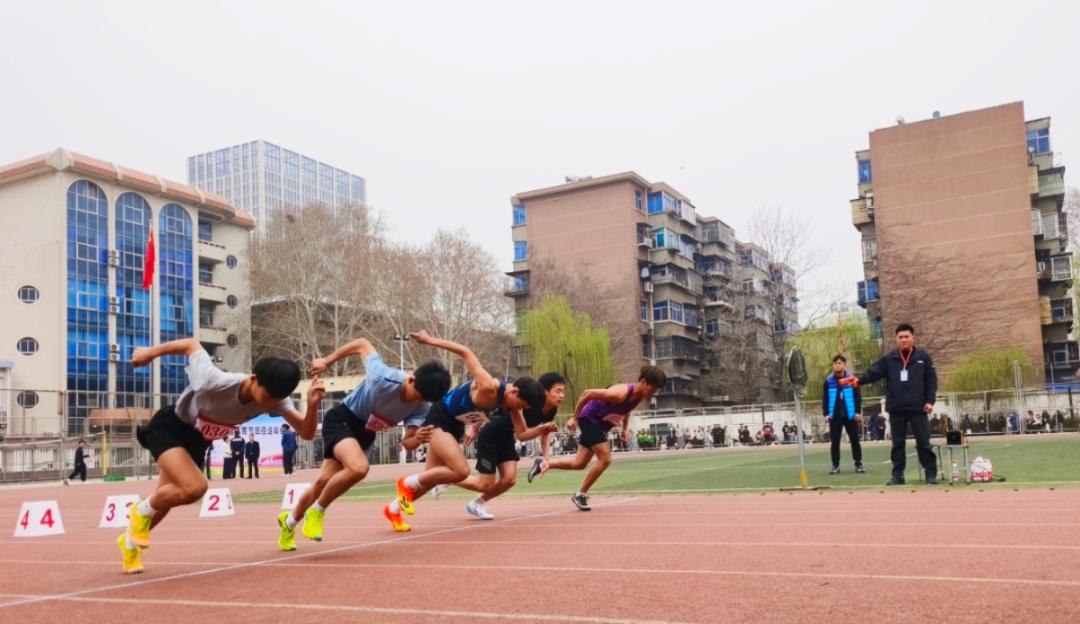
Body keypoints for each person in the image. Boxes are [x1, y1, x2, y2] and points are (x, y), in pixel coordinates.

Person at [120, 338, 320, 574]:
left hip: (198, 441)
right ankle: (139, 511)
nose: (271, 404)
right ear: (254, 379)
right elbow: (191, 344)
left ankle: (129, 543)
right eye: (267, 397)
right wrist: (150, 354)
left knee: (167, 500)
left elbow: (306, 433)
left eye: (277, 399)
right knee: (194, 488)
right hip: (170, 427)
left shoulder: (277, 400)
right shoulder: (214, 380)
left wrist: (313, 405)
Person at [277, 335, 452, 550]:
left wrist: (419, 438)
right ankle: (317, 510)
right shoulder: (383, 377)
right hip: (342, 419)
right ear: (411, 380)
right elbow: (362, 343)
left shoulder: (421, 405)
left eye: (423, 400)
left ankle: (289, 522)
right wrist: (326, 361)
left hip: (366, 432)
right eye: (416, 395)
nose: (416, 402)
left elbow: (408, 444)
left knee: (322, 482)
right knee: (359, 468)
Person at [385, 331, 546, 532]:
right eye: (521, 404)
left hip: (454, 426)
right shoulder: (488, 385)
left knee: (430, 479)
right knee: (461, 471)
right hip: (439, 419)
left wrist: (541, 429)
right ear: (514, 391)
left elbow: (521, 433)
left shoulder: (512, 404)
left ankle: (393, 509)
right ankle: (405, 482)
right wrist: (429, 340)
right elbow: (465, 351)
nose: (520, 409)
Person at [436, 372, 565, 520]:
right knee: (485, 484)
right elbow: (491, 409)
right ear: (545, 391)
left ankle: (477, 504)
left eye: (563, 391)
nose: (561, 396)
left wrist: (546, 458)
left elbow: (540, 433)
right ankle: (447, 478)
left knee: (509, 480)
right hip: (491, 435)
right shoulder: (525, 401)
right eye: (558, 391)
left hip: (507, 437)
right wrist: (474, 426)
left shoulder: (551, 410)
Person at [545, 366, 666, 511]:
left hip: (600, 425)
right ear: (644, 382)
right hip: (588, 418)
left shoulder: (639, 396)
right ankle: (580, 494)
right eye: (653, 389)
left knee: (579, 463)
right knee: (605, 458)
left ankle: (545, 464)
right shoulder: (620, 393)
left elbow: (627, 410)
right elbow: (587, 393)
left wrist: (625, 430)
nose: (654, 393)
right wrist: (574, 418)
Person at [841, 323, 938, 485]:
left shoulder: (923, 357)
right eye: (900, 337)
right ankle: (897, 476)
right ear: (896, 339)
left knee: (924, 443)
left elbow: (931, 381)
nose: (904, 340)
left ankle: (930, 474)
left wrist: (930, 401)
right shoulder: (890, 358)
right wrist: (858, 380)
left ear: (913, 338)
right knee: (897, 444)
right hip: (896, 407)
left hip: (918, 407)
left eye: (907, 337)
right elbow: (874, 372)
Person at [823, 354, 864, 475]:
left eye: (840, 363)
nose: (837, 365)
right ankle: (835, 466)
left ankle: (858, 464)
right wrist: (826, 414)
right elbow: (825, 399)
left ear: (844, 365)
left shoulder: (852, 379)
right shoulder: (828, 381)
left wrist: (857, 412)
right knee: (835, 441)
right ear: (833, 365)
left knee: (855, 440)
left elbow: (857, 397)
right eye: (835, 363)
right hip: (834, 416)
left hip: (850, 415)